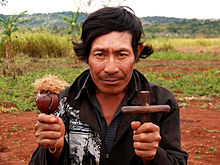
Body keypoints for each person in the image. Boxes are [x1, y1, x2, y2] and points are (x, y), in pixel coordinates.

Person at [29, 6, 188, 165]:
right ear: (87, 54)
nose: (111, 68)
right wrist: (54, 151)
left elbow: (177, 161)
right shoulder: (61, 101)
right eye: (100, 54)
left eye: (121, 54)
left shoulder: (161, 102)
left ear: (137, 52)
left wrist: (153, 155)